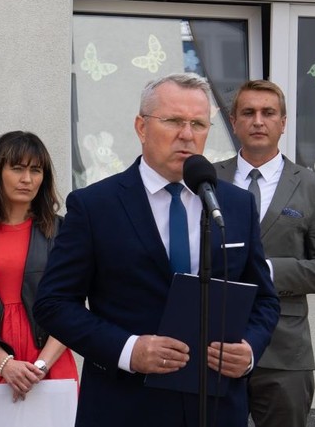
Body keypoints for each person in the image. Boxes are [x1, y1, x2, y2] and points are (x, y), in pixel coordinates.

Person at [34, 72, 279, 427]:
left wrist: (250, 350)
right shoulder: (95, 206)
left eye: (198, 124)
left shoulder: (235, 205)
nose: (187, 134)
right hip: (125, 405)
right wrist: (128, 349)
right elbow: (53, 303)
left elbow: (265, 299)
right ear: (141, 127)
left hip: (215, 407)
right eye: (174, 121)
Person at [215, 80, 315, 427]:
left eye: (268, 113)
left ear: (283, 122)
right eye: (248, 112)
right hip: (214, 344)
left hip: (284, 350)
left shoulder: (313, 188)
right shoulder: (207, 181)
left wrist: (268, 270)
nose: (258, 121)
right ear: (234, 122)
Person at [0, 131, 79, 402]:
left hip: (50, 360)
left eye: (36, 170)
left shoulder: (63, 231)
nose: (27, 179)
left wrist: (40, 367)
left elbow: (72, 304)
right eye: (18, 168)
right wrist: (5, 364)